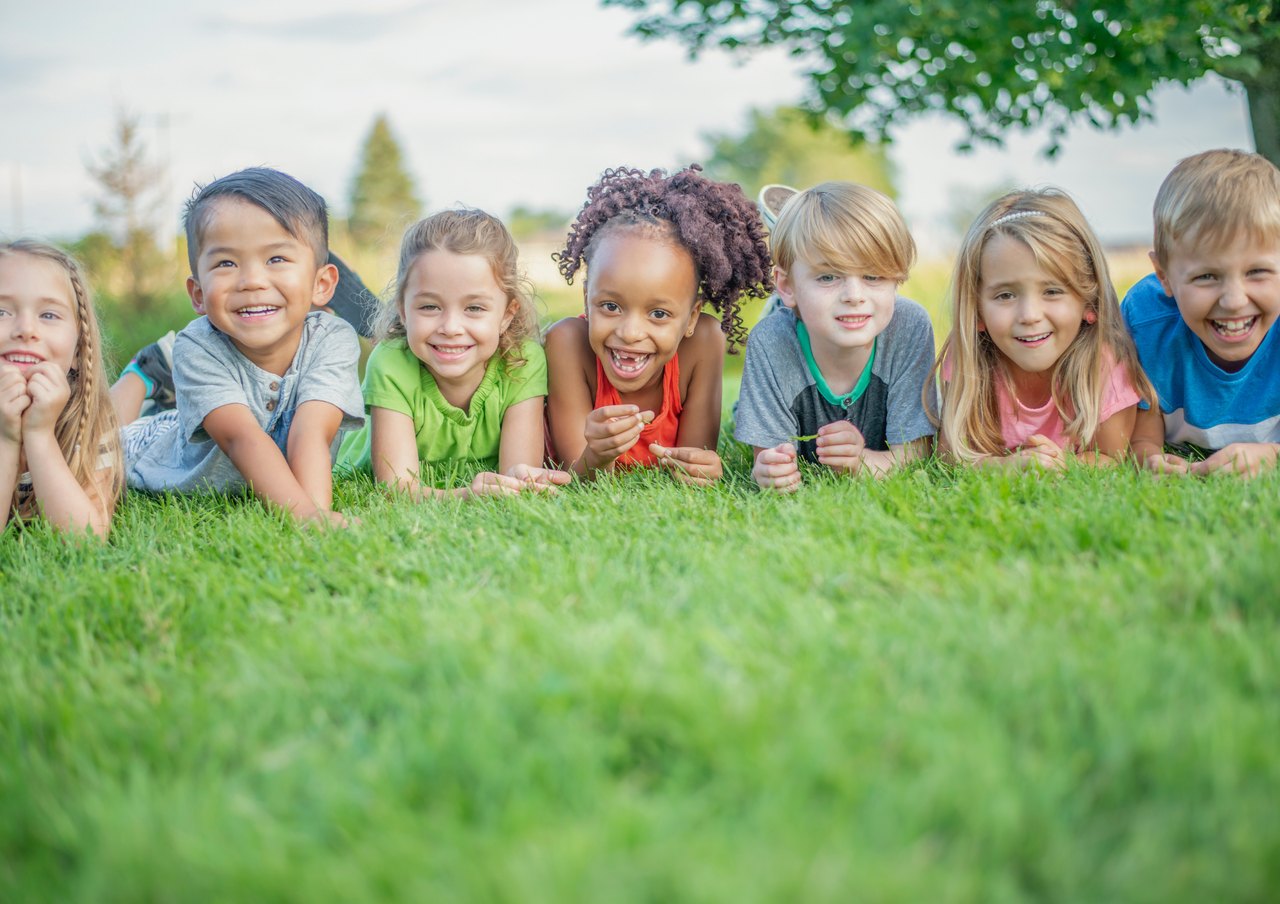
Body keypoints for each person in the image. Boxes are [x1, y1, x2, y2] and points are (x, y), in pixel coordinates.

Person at [114, 167, 364, 526]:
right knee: (93, 440)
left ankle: (160, 382)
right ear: (198, 294)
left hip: (205, 402)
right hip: (150, 447)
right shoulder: (198, 347)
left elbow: (311, 430)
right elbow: (240, 439)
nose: (252, 281)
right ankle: (142, 373)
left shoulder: (332, 339)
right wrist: (305, 516)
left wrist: (317, 513)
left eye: (276, 259)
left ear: (321, 283)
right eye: (226, 263)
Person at [545, 165, 773, 483]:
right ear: (587, 298)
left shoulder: (703, 342)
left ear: (692, 316)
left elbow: (691, 458)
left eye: (659, 314)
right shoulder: (567, 343)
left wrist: (701, 469)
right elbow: (576, 477)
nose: (630, 333)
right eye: (610, 306)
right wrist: (597, 455)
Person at [336, 209, 570, 497]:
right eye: (429, 307)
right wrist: (465, 497)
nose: (450, 327)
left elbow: (517, 474)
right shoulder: (390, 362)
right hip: (354, 470)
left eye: (474, 308)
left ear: (507, 315)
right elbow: (396, 488)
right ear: (403, 311)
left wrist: (519, 482)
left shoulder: (523, 360)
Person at [735, 182, 936, 490]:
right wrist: (769, 471)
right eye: (828, 276)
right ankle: (784, 306)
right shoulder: (770, 341)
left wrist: (862, 461)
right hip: (784, 337)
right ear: (787, 285)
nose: (854, 296)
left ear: (896, 278)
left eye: (872, 276)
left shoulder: (909, 325)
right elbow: (770, 460)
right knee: (769, 347)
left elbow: (915, 456)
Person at [933, 188, 1153, 468]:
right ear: (977, 310)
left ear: (1089, 301)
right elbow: (949, 455)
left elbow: (1114, 459)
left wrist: (1063, 465)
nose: (1029, 315)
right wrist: (1003, 468)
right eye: (1005, 295)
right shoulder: (968, 357)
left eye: (1051, 291)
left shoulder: (1105, 364)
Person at [1123, 149, 1280, 477]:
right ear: (1164, 275)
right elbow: (1140, 437)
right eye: (1206, 276)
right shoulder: (1148, 324)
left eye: (1257, 272)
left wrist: (1272, 455)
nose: (1235, 300)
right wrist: (1149, 458)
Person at [0, 240, 122, 536]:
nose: (26, 330)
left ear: (80, 351)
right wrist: (6, 438)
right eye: (1, 312)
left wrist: (39, 434)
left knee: (138, 429)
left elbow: (86, 539)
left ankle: (144, 374)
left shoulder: (90, 417)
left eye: (48, 315)